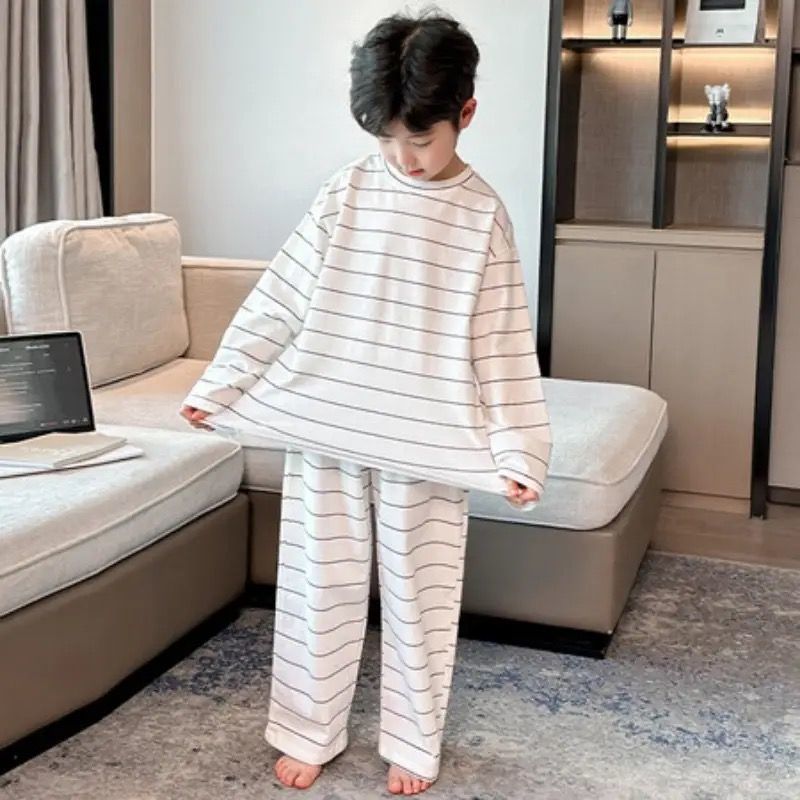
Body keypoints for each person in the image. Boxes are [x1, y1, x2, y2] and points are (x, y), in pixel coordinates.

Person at [179, 10, 551, 795]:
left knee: (421, 595)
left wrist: (519, 449)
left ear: (466, 113)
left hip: (427, 440)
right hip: (329, 427)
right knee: (318, 585)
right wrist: (222, 383)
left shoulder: (483, 215)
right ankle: (308, 729)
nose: (403, 158)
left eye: (420, 140)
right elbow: (280, 297)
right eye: (386, 140)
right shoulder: (347, 191)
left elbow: (502, 341)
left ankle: (413, 741)